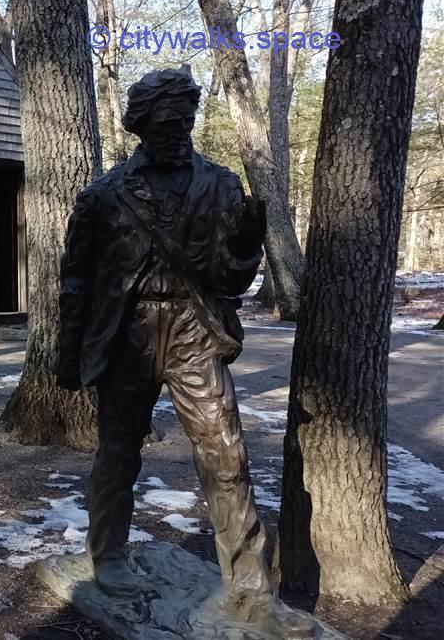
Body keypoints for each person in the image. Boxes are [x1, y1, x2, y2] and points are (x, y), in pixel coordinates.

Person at [55, 66, 315, 636]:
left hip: (194, 330)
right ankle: (110, 554)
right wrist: (66, 356)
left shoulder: (220, 185)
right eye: (167, 120)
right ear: (141, 123)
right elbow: (74, 278)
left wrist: (248, 244)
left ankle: (250, 586)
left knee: (227, 453)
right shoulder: (102, 197)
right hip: (128, 332)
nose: (178, 129)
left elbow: (227, 280)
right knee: (119, 450)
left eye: (186, 118)